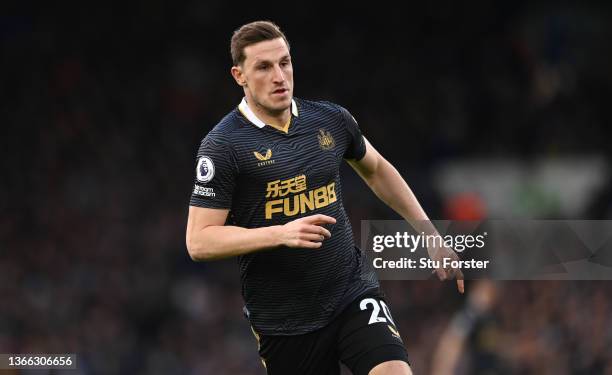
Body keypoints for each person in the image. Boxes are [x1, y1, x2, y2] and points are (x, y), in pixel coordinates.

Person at [186, 20, 463, 375]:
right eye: (264, 67)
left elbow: (376, 169)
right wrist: (280, 233)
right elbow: (199, 240)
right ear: (239, 75)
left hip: (350, 291)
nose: (279, 76)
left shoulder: (329, 120)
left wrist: (430, 234)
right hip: (284, 323)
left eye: (284, 63)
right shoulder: (223, 146)